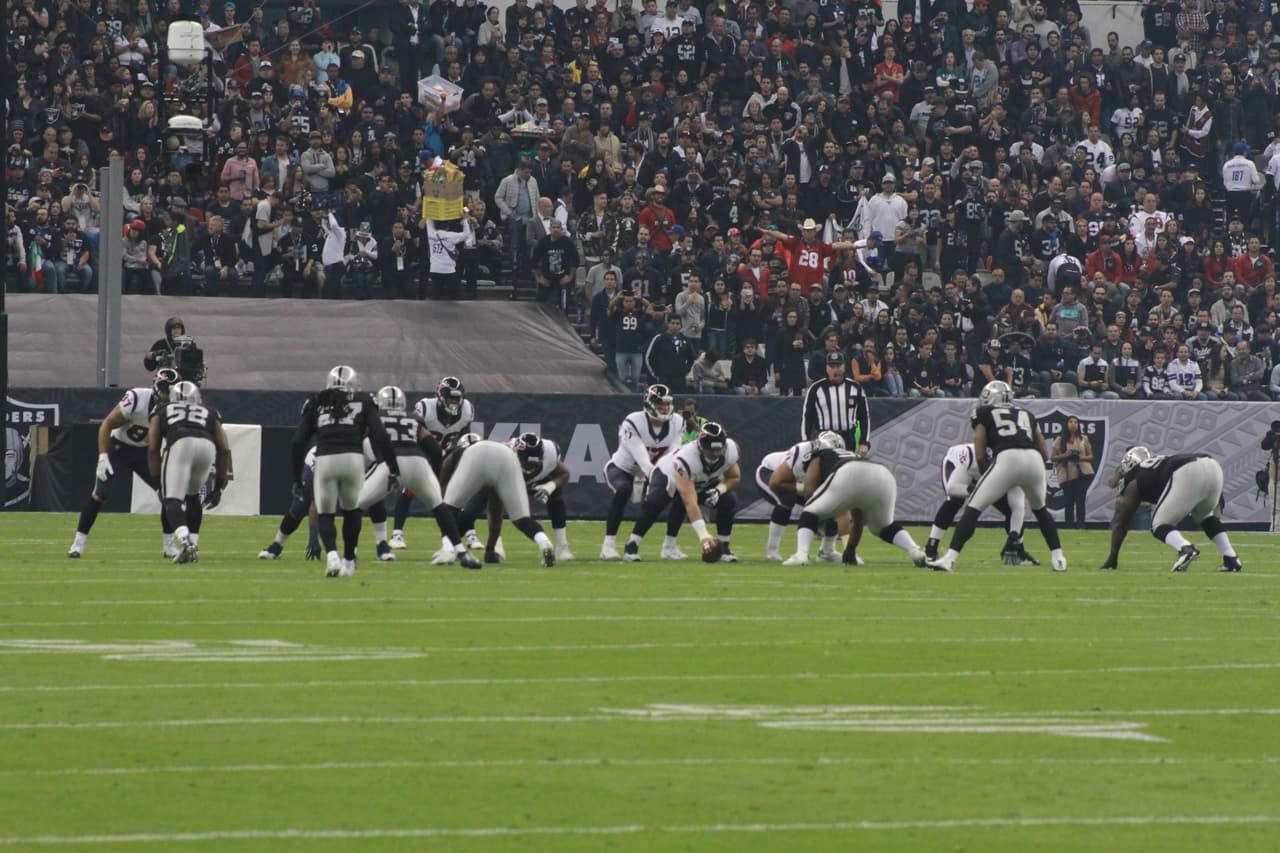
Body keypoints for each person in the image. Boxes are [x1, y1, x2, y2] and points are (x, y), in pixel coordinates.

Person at [926, 381, 1067, 573]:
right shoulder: (1026, 414)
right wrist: (1035, 470)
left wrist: (988, 472)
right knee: (1041, 511)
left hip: (1007, 457)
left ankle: (950, 558)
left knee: (973, 508)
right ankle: (1058, 558)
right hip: (1033, 458)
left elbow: (980, 450)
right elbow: (1043, 449)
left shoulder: (983, 414)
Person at [291, 365, 400, 578]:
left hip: (325, 458)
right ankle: (349, 561)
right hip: (353, 458)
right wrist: (393, 468)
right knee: (352, 511)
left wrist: (296, 477)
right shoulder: (365, 401)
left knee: (326, 512)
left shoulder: (315, 402)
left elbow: (297, 442)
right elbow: (380, 436)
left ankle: (332, 556)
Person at [67, 369, 181, 559]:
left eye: (171, 391)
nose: (167, 395)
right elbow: (107, 424)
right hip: (119, 448)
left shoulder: (173, 409)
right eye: (165, 390)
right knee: (100, 494)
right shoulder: (137, 399)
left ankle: (169, 546)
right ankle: (78, 544)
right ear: (156, 387)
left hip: (146, 452)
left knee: (167, 494)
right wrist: (103, 455)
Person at [781, 437, 927, 567]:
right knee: (883, 526)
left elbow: (809, 490)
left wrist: (814, 515)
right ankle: (914, 550)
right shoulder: (852, 455)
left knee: (810, 511)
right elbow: (858, 519)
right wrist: (850, 550)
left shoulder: (820, 454)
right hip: (882, 473)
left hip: (848, 472)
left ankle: (801, 554)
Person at [1103, 447, 1243, 573]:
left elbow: (1122, 523)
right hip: (1213, 466)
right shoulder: (1158, 464)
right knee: (1205, 517)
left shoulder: (1134, 477)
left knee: (1158, 525)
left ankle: (1186, 548)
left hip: (1188, 471)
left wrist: (1112, 557)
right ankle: (1231, 558)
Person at [622, 421, 741, 562]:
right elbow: (690, 502)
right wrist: (703, 536)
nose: (715, 454)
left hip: (700, 481)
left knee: (729, 500)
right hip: (668, 474)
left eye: (718, 450)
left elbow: (734, 476)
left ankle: (723, 548)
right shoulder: (687, 459)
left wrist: (719, 490)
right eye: (711, 450)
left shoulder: (730, 451)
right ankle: (632, 544)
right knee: (655, 503)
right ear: (700, 447)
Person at [436, 434, 557, 567]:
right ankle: (544, 542)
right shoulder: (547, 453)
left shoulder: (466, 451)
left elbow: (447, 465)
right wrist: (490, 549)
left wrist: (439, 488)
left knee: (451, 508)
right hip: (506, 458)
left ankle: (447, 549)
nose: (528, 466)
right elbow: (495, 510)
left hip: (478, 455)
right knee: (521, 518)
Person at [146, 381, 231, 564]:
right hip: (206, 446)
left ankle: (185, 541)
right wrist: (219, 487)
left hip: (180, 442)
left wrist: (156, 483)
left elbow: (153, 447)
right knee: (193, 497)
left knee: (172, 500)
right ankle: (193, 545)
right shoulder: (209, 412)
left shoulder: (161, 410)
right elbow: (224, 449)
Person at [390, 376, 476, 550]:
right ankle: (397, 534)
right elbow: (414, 431)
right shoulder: (425, 408)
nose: (453, 401)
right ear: (439, 397)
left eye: (456, 398)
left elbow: (465, 438)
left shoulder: (467, 410)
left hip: (446, 456)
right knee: (410, 491)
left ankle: (469, 534)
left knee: (457, 492)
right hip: (424, 454)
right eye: (450, 397)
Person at [599, 384, 683, 559]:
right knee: (623, 491)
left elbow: (673, 456)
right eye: (660, 404)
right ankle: (608, 546)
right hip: (624, 468)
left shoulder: (677, 422)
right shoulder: (633, 422)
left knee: (681, 493)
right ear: (648, 404)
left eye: (668, 404)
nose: (665, 408)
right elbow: (642, 459)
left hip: (655, 470)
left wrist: (662, 483)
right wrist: (656, 483)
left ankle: (669, 545)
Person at [925, 442, 1037, 566]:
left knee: (1009, 509)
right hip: (958, 466)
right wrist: (975, 490)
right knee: (954, 501)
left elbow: (1018, 506)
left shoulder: (1012, 467)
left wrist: (1013, 537)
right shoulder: (969, 458)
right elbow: (953, 488)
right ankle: (931, 546)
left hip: (987, 477)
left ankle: (1018, 551)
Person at [759, 433, 847, 562]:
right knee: (787, 499)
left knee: (833, 502)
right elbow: (776, 483)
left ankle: (827, 552)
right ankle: (772, 551)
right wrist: (804, 489)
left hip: (801, 483)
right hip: (771, 473)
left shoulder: (837, 461)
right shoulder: (801, 453)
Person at [801, 350, 871, 454]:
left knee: (847, 469)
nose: (835, 370)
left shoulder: (855, 388)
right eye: (832, 366)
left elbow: (864, 416)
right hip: (823, 439)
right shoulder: (816, 388)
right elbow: (807, 417)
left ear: (844, 367)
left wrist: (864, 442)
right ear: (826, 368)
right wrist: (805, 442)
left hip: (848, 438)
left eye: (838, 366)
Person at [1051, 416, 1095, 529]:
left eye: (1076, 422)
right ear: (1066, 424)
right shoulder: (1060, 439)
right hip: (1067, 473)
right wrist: (1066, 455)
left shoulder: (1084, 438)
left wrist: (1080, 457)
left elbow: (1091, 456)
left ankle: (1081, 525)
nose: (1073, 424)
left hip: (1082, 473)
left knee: (1080, 501)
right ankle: (1069, 526)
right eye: (1071, 422)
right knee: (1068, 502)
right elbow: (1053, 457)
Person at [530, 218, 579, 307]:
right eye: (553, 227)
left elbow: (575, 260)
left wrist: (570, 277)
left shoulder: (567, 242)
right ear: (550, 228)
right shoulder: (543, 242)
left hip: (563, 278)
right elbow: (534, 261)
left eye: (558, 227)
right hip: (547, 278)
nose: (556, 229)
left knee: (566, 304)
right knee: (541, 304)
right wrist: (539, 278)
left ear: (561, 229)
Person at [645, 313, 696, 393]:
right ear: (668, 324)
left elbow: (691, 357)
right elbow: (649, 358)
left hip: (680, 379)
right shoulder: (659, 339)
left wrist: (686, 370)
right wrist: (656, 374)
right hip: (664, 379)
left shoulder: (686, 340)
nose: (675, 326)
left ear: (681, 325)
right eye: (672, 323)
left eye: (677, 323)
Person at [425, 217, 472, 300]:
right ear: (447, 226)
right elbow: (467, 234)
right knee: (457, 295)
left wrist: (430, 212)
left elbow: (428, 221)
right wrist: (465, 220)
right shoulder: (450, 235)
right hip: (448, 270)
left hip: (434, 269)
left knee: (436, 295)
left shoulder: (431, 234)